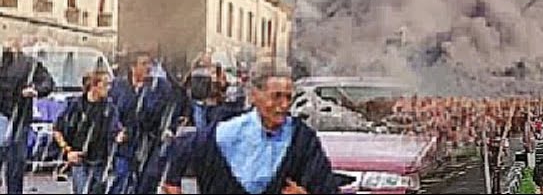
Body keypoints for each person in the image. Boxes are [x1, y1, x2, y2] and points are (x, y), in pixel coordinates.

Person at [163, 62, 338, 194]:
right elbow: (183, 147)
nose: (284, 105)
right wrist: (172, 182)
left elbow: (327, 187)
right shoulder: (226, 132)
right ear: (254, 96)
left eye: (288, 97)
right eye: (276, 96)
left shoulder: (302, 139)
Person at [106, 51, 182, 194]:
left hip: (150, 143)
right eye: (143, 64)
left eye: (149, 64)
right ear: (133, 67)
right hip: (126, 142)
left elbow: (172, 108)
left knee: (148, 181)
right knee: (121, 179)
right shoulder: (119, 87)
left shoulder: (160, 87)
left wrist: (170, 129)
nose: (148, 67)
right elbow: (111, 112)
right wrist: (116, 131)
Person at [0, 37, 55, 194]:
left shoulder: (29, 64)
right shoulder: (23, 64)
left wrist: (35, 90)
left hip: (19, 119)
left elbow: (48, 83)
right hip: (8, 117)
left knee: (15, 164)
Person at [53, 70, 122, 195]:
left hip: (100, 161)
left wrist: (120, 136)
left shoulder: (109, 108)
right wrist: (68, 151)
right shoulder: (76, 106)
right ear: (93, 86)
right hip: (79, 159)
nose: (109, 88)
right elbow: (57, 130)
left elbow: (116, 130)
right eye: (105, 84)